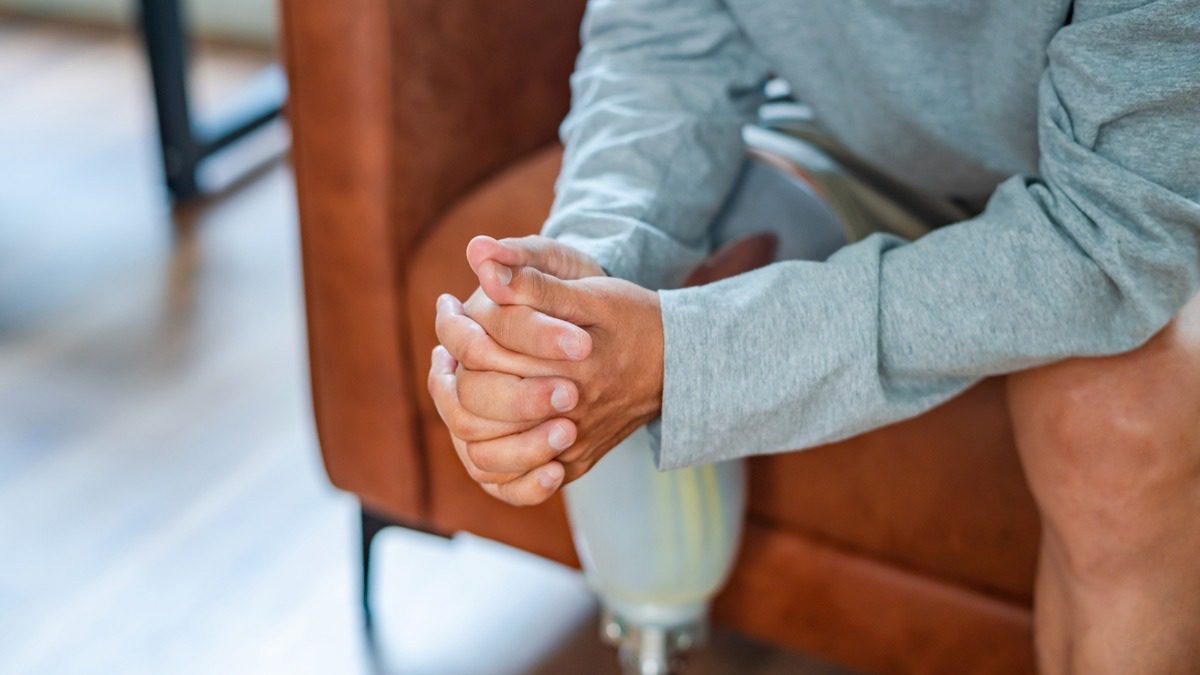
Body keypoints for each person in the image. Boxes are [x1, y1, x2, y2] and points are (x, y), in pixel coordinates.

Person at [426, 1, 1200, 671]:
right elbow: (662, 44)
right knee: (585, 340)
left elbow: (1119, 228)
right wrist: (579, 287)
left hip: (1142, 176)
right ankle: (653, 640)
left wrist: (692, 356)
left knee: (1114, 425)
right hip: (848, 136)